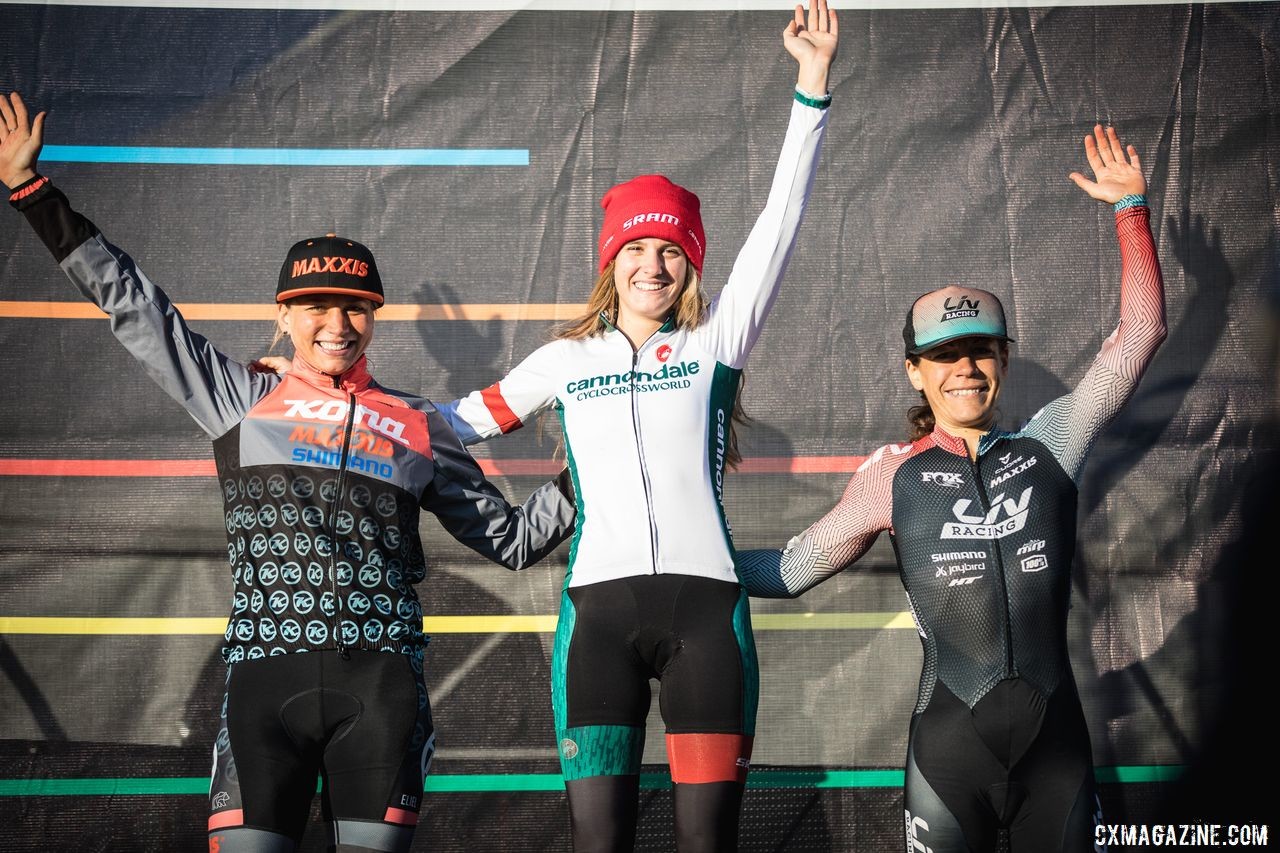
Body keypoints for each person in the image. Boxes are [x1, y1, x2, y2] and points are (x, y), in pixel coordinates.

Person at [0, 91, 576, 853]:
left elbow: (510, 539)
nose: (336, 323)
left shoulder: (417, 423)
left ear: (374, 315)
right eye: (316, 305)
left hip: (383, 689)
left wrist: (600, 464)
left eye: (356, 306)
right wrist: (33, 193)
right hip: (263, 690)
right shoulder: (242, 396)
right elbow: (134, 307)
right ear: (283, 312)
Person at [433, 4, 837, 850]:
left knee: (705, 844)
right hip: (597, 620)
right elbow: (455, 424)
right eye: (635, 250)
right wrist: (318, 400)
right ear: (609, 262)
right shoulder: (564, 361)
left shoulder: (717, 339)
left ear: (690, 261)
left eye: (671, 251)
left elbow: (779, 222)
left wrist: (811, 84)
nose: (652, 266)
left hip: (708, 614)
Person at [737, 125, 1166, 852]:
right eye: (943, 356)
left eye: (979, 351)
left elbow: (1141, 333)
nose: (963, 369)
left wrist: (1131, 209)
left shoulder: (1051, 441)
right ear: (914, 370)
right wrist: (681, 557)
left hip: (1055, 753)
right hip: (947, 755)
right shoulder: (892, 477)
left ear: (1003, 358)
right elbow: (791, 569)